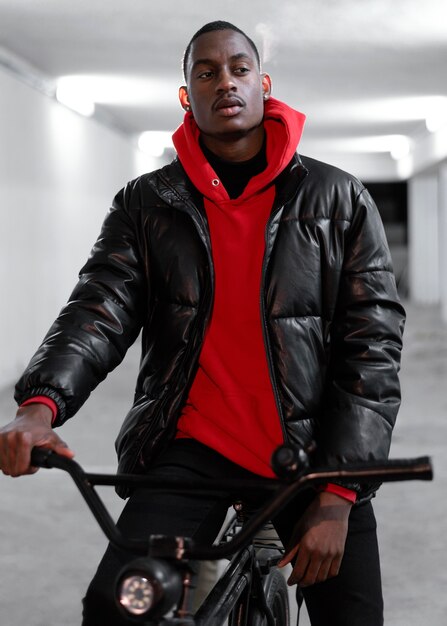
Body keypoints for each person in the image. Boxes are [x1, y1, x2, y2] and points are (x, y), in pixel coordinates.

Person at [0, 20, 405, 626]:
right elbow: (98, 309)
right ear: (187, 95)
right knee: (117, 607)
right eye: (206, 72)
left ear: (263, 84)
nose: (226, 82)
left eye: (239, 69)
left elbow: (372, 347)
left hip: (312, 454)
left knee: (354, 616)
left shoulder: (338, 197)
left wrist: (340, 492)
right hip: (192, 449)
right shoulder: (147, 203)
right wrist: (39, 406)